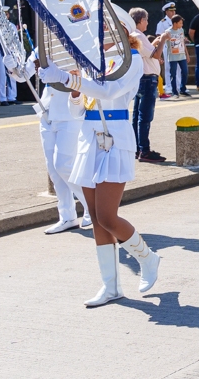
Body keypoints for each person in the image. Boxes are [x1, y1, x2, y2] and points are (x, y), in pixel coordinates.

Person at [39, 37, 161, 308]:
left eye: (105, 26)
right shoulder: (91, 61)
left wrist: (69, 80)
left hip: (115, 139)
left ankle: (147, 258)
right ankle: (110, 286)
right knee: (95, 217)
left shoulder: (132, 59)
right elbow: (78, 109)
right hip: (89, 139)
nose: (100, 33)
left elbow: (108, 92)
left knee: (107, 216)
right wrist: (72, 92)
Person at [36, 69, 92, 235]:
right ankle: (67, 216)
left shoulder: (74, 44)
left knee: (63, 165)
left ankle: (91, 205)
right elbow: (22, 74)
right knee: (53, 170)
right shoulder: (42, 47)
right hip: (47, 112)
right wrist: (12, 66)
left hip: (69, 114)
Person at [129, 8, 166, 162]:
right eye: (146, 19)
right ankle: (144, 150)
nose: (147, 22)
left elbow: (146, 55)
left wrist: (153, 43)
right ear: (141, 20)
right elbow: (155, 55)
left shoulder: (133, 35)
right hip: (147, 80)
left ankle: (137, 148)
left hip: (140, 79)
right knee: (145, 117)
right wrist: (163, 39)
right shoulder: (138, 35)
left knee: (137, 115)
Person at [163, 15, 189, 97]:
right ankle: (174, 91)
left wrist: (187, 54)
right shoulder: (168, 32)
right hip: (172, 56)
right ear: (175, 23)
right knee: (173, 74)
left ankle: (183, 89)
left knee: (185, 72)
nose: (182, 24)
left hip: (182, 55)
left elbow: (182, 42)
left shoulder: (181, 30)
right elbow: (163, 42)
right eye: (180, 23)